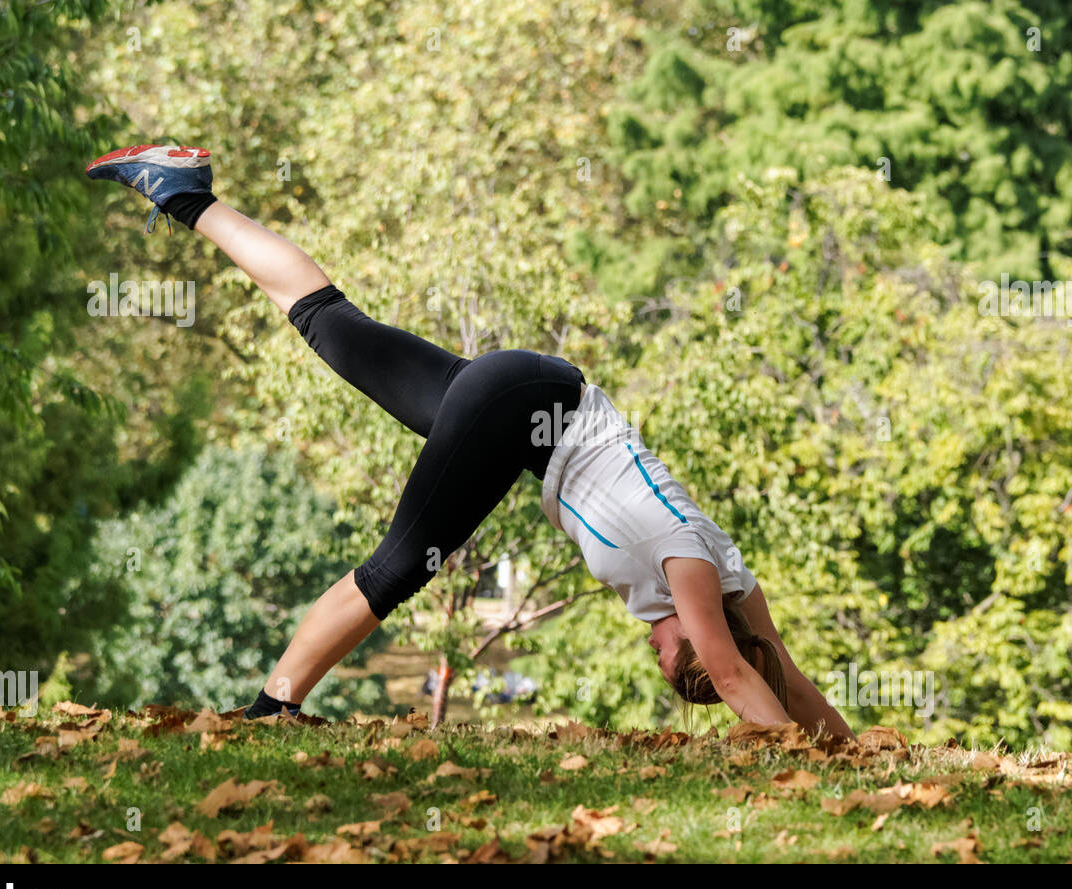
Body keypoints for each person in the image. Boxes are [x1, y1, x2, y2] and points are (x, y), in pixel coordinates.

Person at [85, 144, 854, 740]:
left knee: (332, 325)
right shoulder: (689, 564)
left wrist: (853, 756)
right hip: (520, 410)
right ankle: (272, 706)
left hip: (530, 404)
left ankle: (185, 194)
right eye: (671, 657)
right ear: (696, 633)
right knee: (401, 563)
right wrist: (791, 768)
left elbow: (777, 673)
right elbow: (732, 674)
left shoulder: (729, 582)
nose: (656, 655)